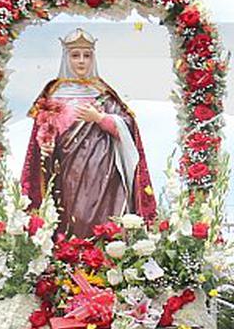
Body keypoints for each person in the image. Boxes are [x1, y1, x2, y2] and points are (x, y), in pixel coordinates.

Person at [20, 27, 156, 240]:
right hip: (68, 171)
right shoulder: (53, 94)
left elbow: (129, 127)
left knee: (104, 220)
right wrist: (45, 146)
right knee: (73, 216)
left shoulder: (103, 93)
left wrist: (100, 119)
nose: (81, 61)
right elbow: (43, 133)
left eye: (86, 55)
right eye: (75, 56)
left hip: (104, 171)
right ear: (66, 58)